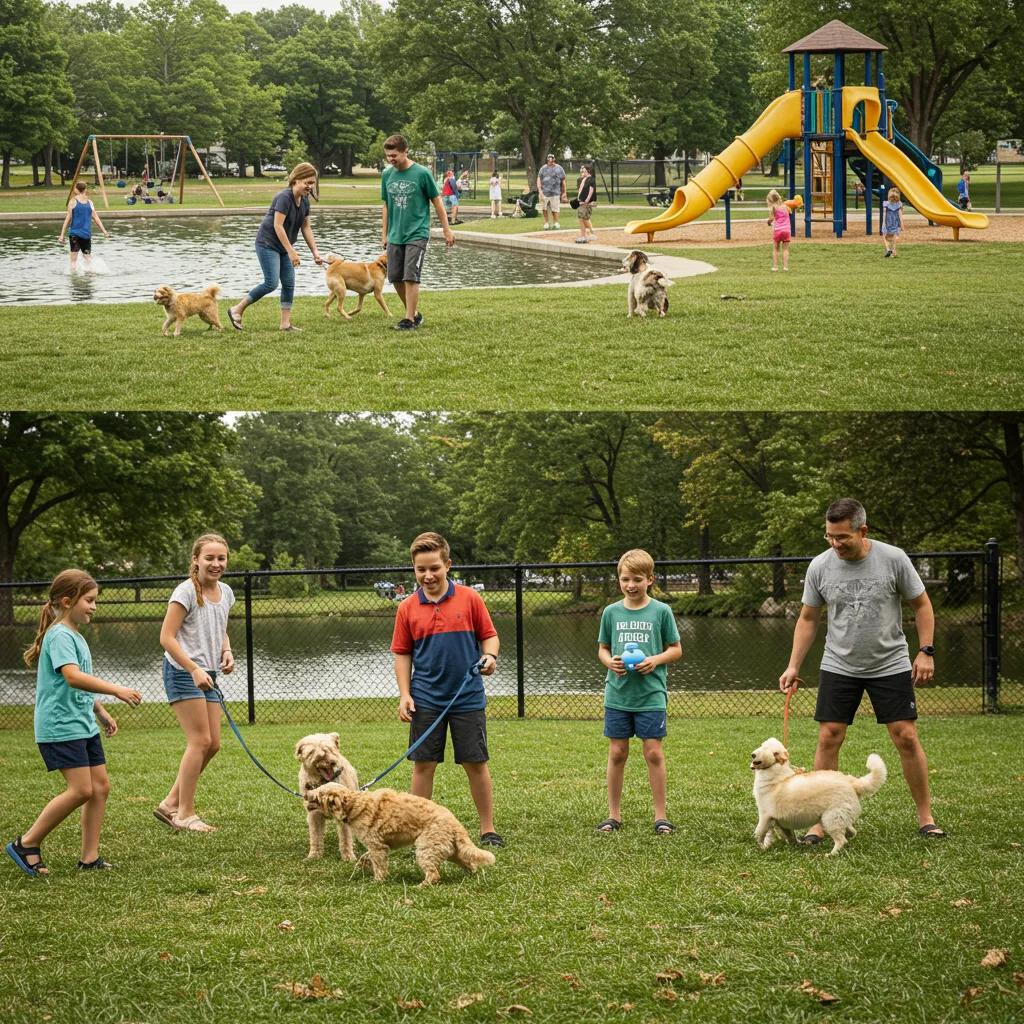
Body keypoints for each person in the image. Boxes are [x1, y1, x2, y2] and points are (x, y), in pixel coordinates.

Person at [779, 497, 946, 843]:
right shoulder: (820, 566)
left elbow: (922, 605)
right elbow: (808, 618)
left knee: (906, 736)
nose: (835, 544)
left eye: (842, 537)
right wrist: (793, 665)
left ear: (862, 530)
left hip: (890, 662)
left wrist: (925, 651)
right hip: (839, 663)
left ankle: (925, 816)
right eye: (829, 537)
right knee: (829, 736)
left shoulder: (893, 559)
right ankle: (818, 821)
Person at [6, 570, 142, 876]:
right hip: (60, 726)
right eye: (90, 600)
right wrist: (116, 689)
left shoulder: (74, 635)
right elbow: (72, 675)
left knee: (100, 787)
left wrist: (100, 711)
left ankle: (89, 858)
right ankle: (26, 843)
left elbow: (78, 683)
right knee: (81, 789)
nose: (94, 607)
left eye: (95, 601)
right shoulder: (60, 636)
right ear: (68, 601)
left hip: (82, 724)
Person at [390, 531, 503, 847]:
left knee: (475, 762)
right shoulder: (407, 608)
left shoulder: (470, 599)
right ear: (414, 569)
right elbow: (402, 653)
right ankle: (417, 829)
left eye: (434, 568)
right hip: (426, 699)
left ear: (448, 565)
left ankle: (487, 829)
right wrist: (405, 693)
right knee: (424, 764)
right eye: (420, 569)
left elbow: (490, 636)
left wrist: (489, 656)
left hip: (467, 697)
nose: (428, 576)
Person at [596, 549, 682, 836]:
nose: (630, 585)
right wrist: (611, 663)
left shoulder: (661, 611)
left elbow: (675, 649)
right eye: (624, 579)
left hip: (651, 695)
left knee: (653, 752)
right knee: (618, 752)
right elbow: (603, 649)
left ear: (650, 580)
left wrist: (654, 660)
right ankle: (613, 816)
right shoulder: (611, 612)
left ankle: (661, 817)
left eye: (636, 579)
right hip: (618, 695)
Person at [155, 533, 235, 834]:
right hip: (182, 671)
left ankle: (169, 803)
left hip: (209, 674)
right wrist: (192, 668)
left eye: (221, 558)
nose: (216, 564)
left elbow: (221, 628)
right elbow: (166, 637)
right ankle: (184, 814)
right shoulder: (186, 591)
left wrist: (226, 651)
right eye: (210, 558)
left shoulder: (226, 592)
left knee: (213, 744)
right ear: (196, 560)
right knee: (199, 741)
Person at [227, 162, 324, 333]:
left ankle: (285, 324)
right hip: (267, 243)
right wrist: (291, 251)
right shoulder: (284, 198)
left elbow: (306, 226)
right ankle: (236, 309)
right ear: (295, 180)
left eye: (312, 183)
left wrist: (315, 251)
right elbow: (278, 226)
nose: (310, 186)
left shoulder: (305, 200)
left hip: (283, 246)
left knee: (289, 283)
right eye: (306, 182)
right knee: (271, 283)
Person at [381, 134, 456, 331]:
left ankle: (409, 320)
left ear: (406, 151)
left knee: (410, 275)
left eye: (394, 155)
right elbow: (386, 206)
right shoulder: (387, 175)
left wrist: (446, 230)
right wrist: (384, 234)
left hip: (417, 232)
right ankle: (413, 313)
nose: (391, 159)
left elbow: (437, 201)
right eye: (388, 156)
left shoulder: (422, 173)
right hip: (395, 234)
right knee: (395, 276)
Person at [58, 181, 109, 272]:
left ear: (76, 189)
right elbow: (96, 218)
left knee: (73, 260)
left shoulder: (73, 201)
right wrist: (104, 231)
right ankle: (91, 275)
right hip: (86, 234)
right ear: (85, 189)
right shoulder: (90, 202)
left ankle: (74, 277)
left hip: (75, 234)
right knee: (88, 259)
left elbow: (68, 219)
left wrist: (62, 235)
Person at [536, 153, 567, 230]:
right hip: (544, 192)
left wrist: (564, 192)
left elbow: (563, 180)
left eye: (551, 160)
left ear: (554, 159)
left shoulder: (559, 168)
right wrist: (540, 190)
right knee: (544, 208)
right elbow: (539, 179)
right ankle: (546, 223)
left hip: (555, 192)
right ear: (547, 160)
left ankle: (556, 223)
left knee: (555, 209)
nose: (550, 161)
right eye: (549, 160)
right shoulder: (543, 168)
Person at [766, 188, 791, 272]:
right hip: (787, 230)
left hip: (778, 230)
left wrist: (768, 222)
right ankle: (785, 267)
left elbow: (771, 219)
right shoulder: (786, 206)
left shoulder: (773, 208)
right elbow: (789, 214)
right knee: (786, 249)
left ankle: (775, 267)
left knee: (776, 248)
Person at [574, 165, 597, 243]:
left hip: (586, 203)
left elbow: (591, 191)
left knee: (584, 218)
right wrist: (578, 199)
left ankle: (590, 234)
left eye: (584, 171)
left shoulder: (591, 180)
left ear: (588, 171)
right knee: (581, 218)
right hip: (581, 202)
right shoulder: (585, 179)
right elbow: (581, 190)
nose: (582, 172)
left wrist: (586, 201)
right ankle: (584, 235)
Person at [882, 187, 904, 258]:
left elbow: (884, 214)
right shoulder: (899, 204)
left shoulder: (886, 204)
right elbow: (900, 216)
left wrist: (884, 224)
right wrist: (902, 225)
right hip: (896, 222)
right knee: (895, 236)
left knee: (884, 236)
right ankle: (894, 250)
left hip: (887, 222)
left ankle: (888, 249)